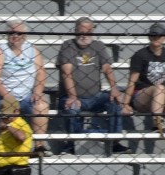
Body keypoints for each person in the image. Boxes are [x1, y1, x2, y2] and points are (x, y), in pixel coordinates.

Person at [54, 19, 126, 154]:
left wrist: (114, 89)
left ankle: (114, 141)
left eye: (88, 32)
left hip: (95, 96)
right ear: (75, 31)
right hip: (72, 96)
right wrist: (73, 96)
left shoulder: (98, 46)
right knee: (71, 108)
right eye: (81, 31)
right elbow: (66, 72)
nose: (84, 35)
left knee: (114, 101)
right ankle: (72, 144)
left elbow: (107, 69)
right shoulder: (68, 45)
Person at [0, 21, 49, 152]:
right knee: (10, 106)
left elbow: (41, 72)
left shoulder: (32, 50)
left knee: (41, 106)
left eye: (18, 33)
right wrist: (7, 96)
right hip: (0, 95)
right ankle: (5, 146)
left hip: (25, 95)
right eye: (11, 33)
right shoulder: (0, 51)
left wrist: (37, 92)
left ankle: (39, 145)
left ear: (24, 35)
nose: (15, 36)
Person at [123, 22, 165, 139]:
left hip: (162, 98)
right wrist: (126, 103)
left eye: (159, 35)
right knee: (160, 87)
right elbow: (132, 81)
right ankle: (157, 121)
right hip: (142, 96)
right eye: (153, 35)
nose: (156, 38)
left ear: (164, 37)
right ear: (149, 37)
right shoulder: (140, 55)